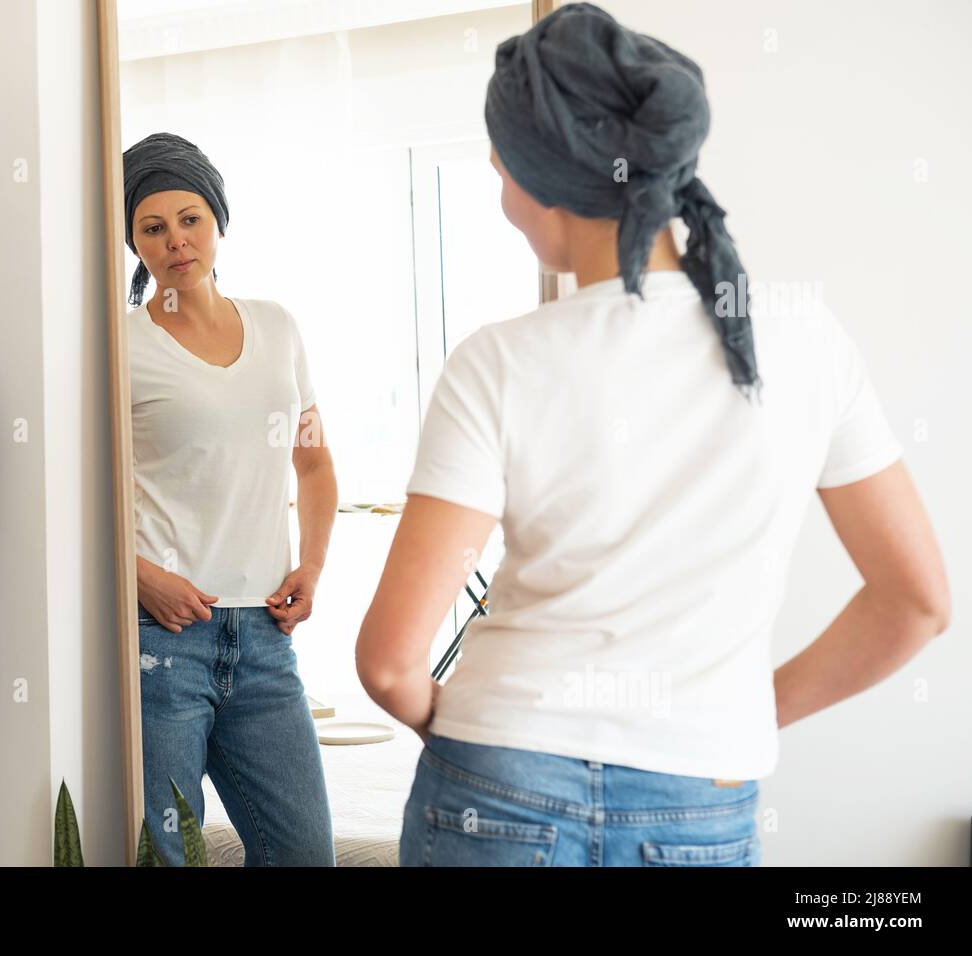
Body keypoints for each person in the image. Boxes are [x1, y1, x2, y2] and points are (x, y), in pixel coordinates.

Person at [355, 3, 950, 867]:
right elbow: (919, 603)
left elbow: (385, 664)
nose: (499, 195)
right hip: (700, 801)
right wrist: (743, 711)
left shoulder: (498, 361)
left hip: (498, 783)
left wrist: (467, 733)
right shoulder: (807, 338)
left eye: (499, 170)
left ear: (543, 184)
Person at [123, 132, 337, 866]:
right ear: (134, 242)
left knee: (304, 853)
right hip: (164, 642)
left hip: (267, 644)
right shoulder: (119, 347)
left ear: (218, 222)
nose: (176, 240)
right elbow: (86, 506)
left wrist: (311, 567)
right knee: (169, 857)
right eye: (153, 227)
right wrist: (141, 577)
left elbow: (313, 466)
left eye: (190, 218)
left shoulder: (277, 327)